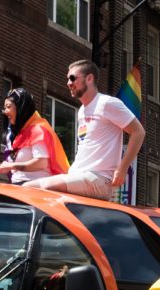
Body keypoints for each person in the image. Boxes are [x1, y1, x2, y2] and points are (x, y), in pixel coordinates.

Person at [26, 60, 145, 200]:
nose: (68, 83)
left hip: (99, 179)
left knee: (43, 186)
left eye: (72, 78)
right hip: (78, 176)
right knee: (25, 188)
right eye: (67, 79)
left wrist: (122, 168)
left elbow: (139, 132)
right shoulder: (82, 110)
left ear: (89, 78)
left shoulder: (107, 103)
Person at [0, 88, 69, 185]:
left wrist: (11, 166)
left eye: (8, 107)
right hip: (19, 188)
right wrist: (3, 167)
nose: (5, 112)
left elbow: (41, 163)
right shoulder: (19, 134)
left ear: (21, 108)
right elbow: (16, 167)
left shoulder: (38, 129)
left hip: (35, 191)